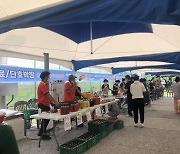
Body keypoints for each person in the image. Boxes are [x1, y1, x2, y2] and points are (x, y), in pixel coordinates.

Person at [37, 71, 59, 140]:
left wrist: (51, 102)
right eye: (48, 76)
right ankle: (42, 133)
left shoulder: (45, 84)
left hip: (45, 103)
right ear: (45, 77)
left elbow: (46, 96)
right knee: (45, 119)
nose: (49, 78)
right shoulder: (42, 85)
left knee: (46, 119)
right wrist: (55, 102)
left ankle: (42, 132)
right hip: (42, 104)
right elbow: (47, 95)